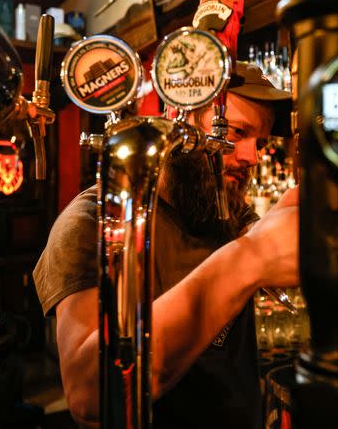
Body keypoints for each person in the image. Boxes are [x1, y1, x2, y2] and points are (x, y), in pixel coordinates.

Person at [33, 62, 298, 428]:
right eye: (235, 133)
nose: (252, 156)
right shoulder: (95, 221)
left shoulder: (224, 209)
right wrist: (249, 259)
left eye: (261, 142)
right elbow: (88, 394)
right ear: (178, 120)